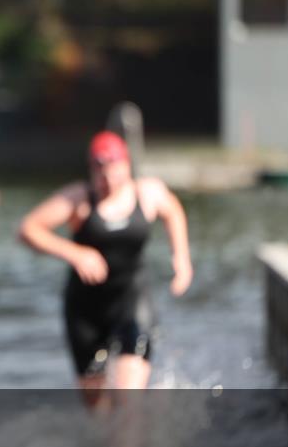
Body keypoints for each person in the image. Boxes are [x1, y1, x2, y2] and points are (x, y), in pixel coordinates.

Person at [19, 131, 192, 409]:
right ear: (91, 169)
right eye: (99, 170)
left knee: (128, 402)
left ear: (126, 165)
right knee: (98, 409)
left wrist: (181, 259)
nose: (107, 178)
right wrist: (74, 252)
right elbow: (28, 229)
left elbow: (173, 211)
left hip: (132, 303)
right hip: (85, 312)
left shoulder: (147, 193)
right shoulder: (79, 199)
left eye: (112, 168)